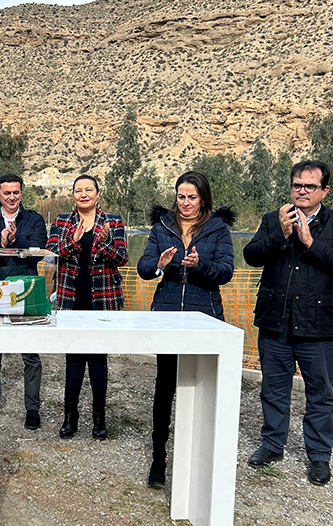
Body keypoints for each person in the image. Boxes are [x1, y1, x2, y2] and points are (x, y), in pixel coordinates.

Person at [243, 160, 333, 486]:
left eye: (309, 186)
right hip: (275, 322)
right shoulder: (273, 219)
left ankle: (319, 456)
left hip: (319, 326)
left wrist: (310, 243)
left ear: (325, 190)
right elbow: (251, 255)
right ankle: (272, 444)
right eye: (297, 185)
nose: (302, 191)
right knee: (273, 389)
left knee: (320, 394)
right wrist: (280, 235)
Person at [137, 171, 234, 488]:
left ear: (203, 198)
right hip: (167, 316)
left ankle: (200, 464)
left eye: (192, 197)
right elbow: (143, 268)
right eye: (181, 196)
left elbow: (226, 272)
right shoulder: (161, 227)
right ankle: (158, 462)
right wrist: (160, 265)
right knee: (164, 390)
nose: (186, 202)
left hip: (204, 316)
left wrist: (200, 266)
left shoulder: (218, 229)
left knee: (203, 390)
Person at [47, 175, 128, 440]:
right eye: (78, 190)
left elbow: (122, 257)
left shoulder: (112, 221)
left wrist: (104, 242)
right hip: (70, 298)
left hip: (102, 299)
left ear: (97, 194)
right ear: (73, 195)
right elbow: (52, 255)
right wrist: (73, 240)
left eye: (88, 190)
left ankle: (99, 419)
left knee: (97, 358)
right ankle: (70, 417)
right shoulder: (62, 221)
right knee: (73, 358)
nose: (83, 194)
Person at [0, 173, 47, 429]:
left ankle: (32, 408)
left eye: (16, 192)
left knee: (30, 355)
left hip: (26, 292)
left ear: (21, 193)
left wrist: (16, 240)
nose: (12, 197)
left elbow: (38, 251)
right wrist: (1, 241)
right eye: (7, 193)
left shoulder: (35, 220)